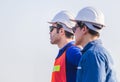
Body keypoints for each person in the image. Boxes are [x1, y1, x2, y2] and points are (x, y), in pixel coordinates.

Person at [71, 7, 117, 82]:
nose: (74, 32)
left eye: (74, 28)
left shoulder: (92, 55)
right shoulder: (98, 52)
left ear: (84, 29)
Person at [48, 10, 82, 82]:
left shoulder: (72, 51)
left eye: (51, 29)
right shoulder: (64, 53)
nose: (49, 32)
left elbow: (91, 69)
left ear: (61, 31)